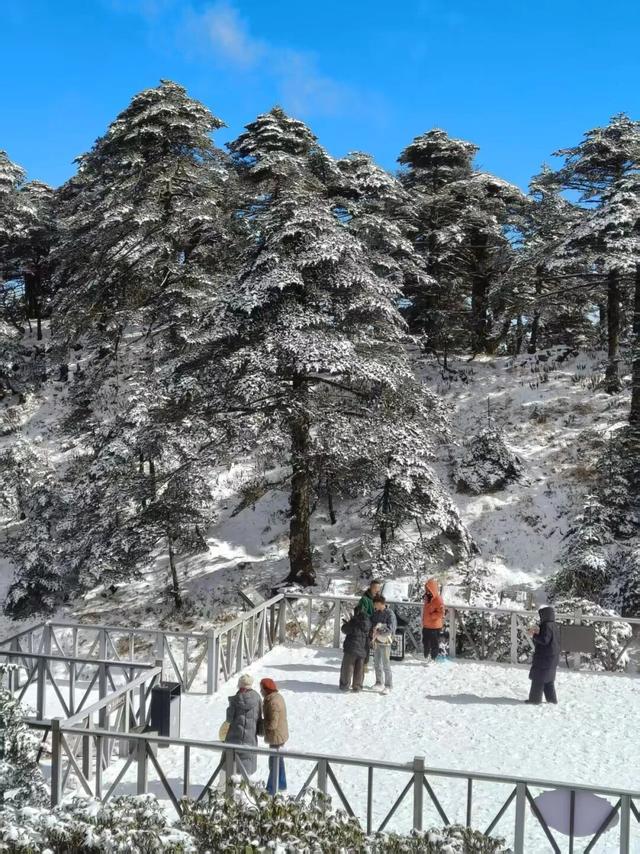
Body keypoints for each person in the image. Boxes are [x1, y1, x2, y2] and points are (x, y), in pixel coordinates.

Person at [225, 674, 263, 776]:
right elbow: (259, 717)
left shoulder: (235, 700)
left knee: (230, 770)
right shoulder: (257, 698)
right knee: (246, 772)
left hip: (234, 738)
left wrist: (230, 707)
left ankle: (228, 790)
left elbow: (229, 719)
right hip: (250, 739)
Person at [260, 677, 289, 795]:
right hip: (280, 734)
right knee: (279, 760)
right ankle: (281, 784)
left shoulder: (273, 703)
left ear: (266, 690)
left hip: (276, 736)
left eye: (261, 689)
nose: (261, 691)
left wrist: (262, 724)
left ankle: (271, 789)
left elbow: (272, 724)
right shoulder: (277, 697)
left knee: (274, 762)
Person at [526, 606, 560, 705]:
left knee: (538, 679)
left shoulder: (546, 625)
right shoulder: (554, 625)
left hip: (544, 657)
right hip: (552, 657)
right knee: (548, 680)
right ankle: (552, 700)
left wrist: (534, 634)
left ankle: (534, 700)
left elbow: (544, 640)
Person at [339, 607, 371, 692]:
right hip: (363, 648)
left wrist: (347, 623)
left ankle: (345, 685)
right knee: (359, 668)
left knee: (348, 666)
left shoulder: (354, 621)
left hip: (351, 648)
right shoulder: (368, 623)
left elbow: (345, 629)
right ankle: (357, 686)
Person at [371, 595, 396, 694]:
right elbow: (372, 623)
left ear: (381, 603)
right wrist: (373, 630)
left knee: (386, 663)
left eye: (376, 604)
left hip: (386, 641)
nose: (375, 606)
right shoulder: (376, 613)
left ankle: (388, 685)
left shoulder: (390, 614)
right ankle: (378, 682)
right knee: (377, 662)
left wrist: (379, 630)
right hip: (377, 640)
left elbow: (391, 628)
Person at [422, 578, 445, 661]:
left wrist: (432, 616)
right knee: (425, 642)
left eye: (428, 589)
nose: (427, 591)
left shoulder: (438, 599)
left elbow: (442, 613)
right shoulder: (426, 598)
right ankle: (426, 656)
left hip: (435, 627)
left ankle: (433, 658)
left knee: (434, 643)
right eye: (426, 589)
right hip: (426, 625)